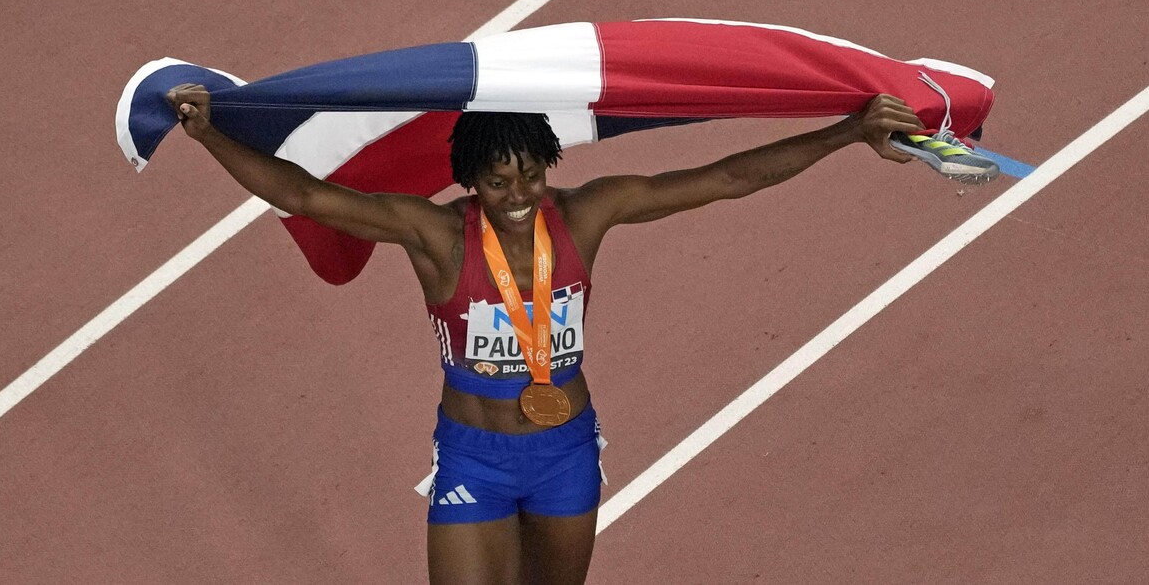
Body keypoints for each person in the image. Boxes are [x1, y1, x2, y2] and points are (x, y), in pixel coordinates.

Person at [166, 84, 923, 585]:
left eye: (530, 174)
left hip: (564, 451)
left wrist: (846, 132)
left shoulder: (586, 213)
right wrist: (208, 136)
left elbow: (728, 179)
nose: (519, 195)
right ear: (470, 179)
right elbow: (304, 194)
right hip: (473, 455)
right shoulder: (434, 234)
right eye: (498, 182)